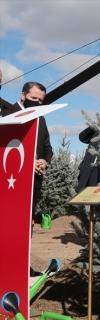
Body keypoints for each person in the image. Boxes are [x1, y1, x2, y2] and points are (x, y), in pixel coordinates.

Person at [2, 82, 53, 277]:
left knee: (26, 226)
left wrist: (43, 161)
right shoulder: (8, 114)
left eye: (41, 100)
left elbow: (47, 147)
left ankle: (22, 265)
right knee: (8, 225)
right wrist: (26, 163)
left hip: (33, 183)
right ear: (23, 95)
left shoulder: (41, 120)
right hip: (11, 182)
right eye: (34, 99)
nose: (38, 103)